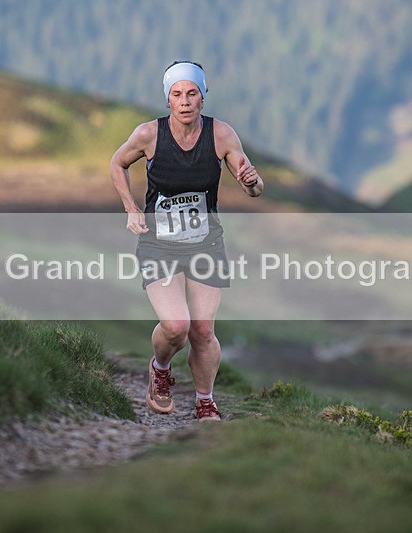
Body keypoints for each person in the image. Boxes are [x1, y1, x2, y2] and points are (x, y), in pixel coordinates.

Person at [110, 60, 263, 422]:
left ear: (202, 97)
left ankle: (205, 401)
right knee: (176, 327)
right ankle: (160, 368)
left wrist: (252, 182)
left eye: (191, 93)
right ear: (168, 100)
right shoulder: (149, 135)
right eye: (176, 94)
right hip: (158, 243)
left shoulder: (221, 135)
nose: (184, 101)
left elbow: (253, 186)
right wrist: (131, 208)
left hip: (206, 243)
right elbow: (118, 163)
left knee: (203, 330)